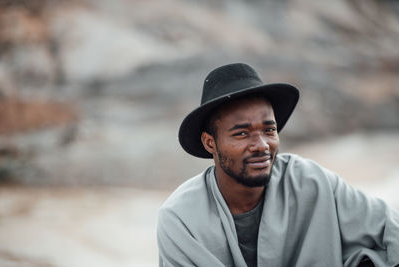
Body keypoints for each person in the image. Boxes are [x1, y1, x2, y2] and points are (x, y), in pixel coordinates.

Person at [157, 63, 399, 267]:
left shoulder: (313, 182)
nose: (261, 145)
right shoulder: (181, 219)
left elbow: (389, 229)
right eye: (242, 133)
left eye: (269, 130)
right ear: (210, 143)